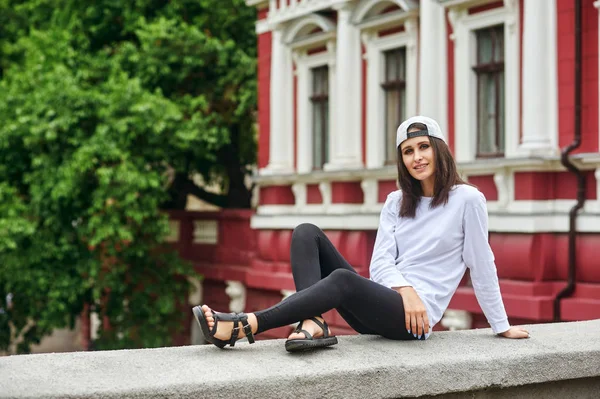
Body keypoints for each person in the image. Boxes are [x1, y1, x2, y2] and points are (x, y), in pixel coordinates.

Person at [192, 115, 530, 352]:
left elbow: (481, 263)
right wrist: (404, 289)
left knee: (342, 279)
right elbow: (380, 263)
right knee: (305, 232)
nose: (417, 157)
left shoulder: (467, 200)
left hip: (413, 320)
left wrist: (501, 325)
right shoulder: (396, 202)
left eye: (424, 147)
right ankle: (312, 323)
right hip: (383, 301)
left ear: (439, 149)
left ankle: (245, 325)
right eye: (408, 151)